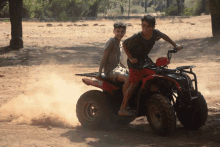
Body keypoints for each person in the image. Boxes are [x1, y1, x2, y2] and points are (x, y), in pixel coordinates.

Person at [118, 15, 183, 116]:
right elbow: (125, 44)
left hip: (144, 59)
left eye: (147, 26)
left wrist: (175, 45)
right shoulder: (137, 37)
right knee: (134, 83)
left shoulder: (155, 33)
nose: (145, 28)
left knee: (157, 72)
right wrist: (130, 57)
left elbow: (164, 36)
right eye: (143, 26)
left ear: (153, 27)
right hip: (134, 62)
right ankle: (123, 108)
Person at [97, 21, 129, 95]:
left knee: (135, 75)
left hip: (118, 69)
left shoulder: (120, 43)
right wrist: (99, 73)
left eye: (122, 32)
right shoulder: (111, 42)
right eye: (118, 31)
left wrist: (127, 69)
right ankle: (125, 102)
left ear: (125, 32)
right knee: (128, 78)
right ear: (114, 31)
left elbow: (118, 61)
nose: (120, 34)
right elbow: (104, 58)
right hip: (110, 71)